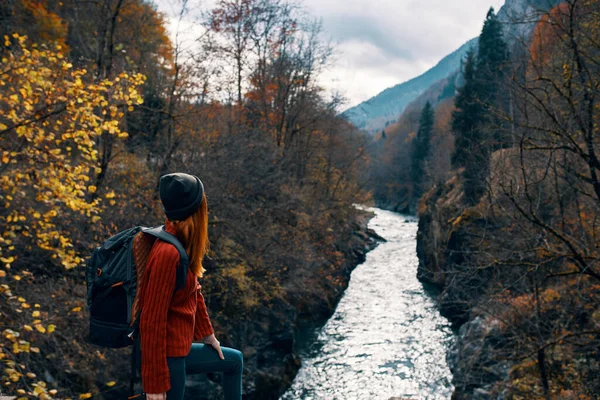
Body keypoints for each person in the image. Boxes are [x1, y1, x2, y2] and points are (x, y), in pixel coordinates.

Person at [138, 172, 243, 400]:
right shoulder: (168, 253)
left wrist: (208, 335)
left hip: (179, 349)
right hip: (167, 360)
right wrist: (155, 383)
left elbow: (193, 292)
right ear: (194, 211)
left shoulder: (179, 243)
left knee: (234, 361)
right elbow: (151, 321)